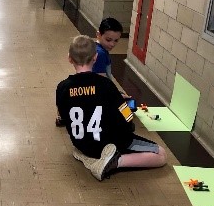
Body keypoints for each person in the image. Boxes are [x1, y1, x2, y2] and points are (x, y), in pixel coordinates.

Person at [56, 35, 166, 181]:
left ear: (69, 58)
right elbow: (126, 116)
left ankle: (88, 156)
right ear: (95, 58)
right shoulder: (106, 85)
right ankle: (114, 161)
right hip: (105, 143)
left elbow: (63, 116)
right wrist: (125, 109)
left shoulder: (62, 88)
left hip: (81, 143)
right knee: (161, 155)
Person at [56, 17, 129, 126]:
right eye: (108, 40)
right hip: (98, 98)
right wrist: (118, 96)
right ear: (94, 58)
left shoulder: (63, 86)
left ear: (70, 59)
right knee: (125, 106)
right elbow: (102, 85)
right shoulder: (101, 55)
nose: (112, 44)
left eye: (116, 41)